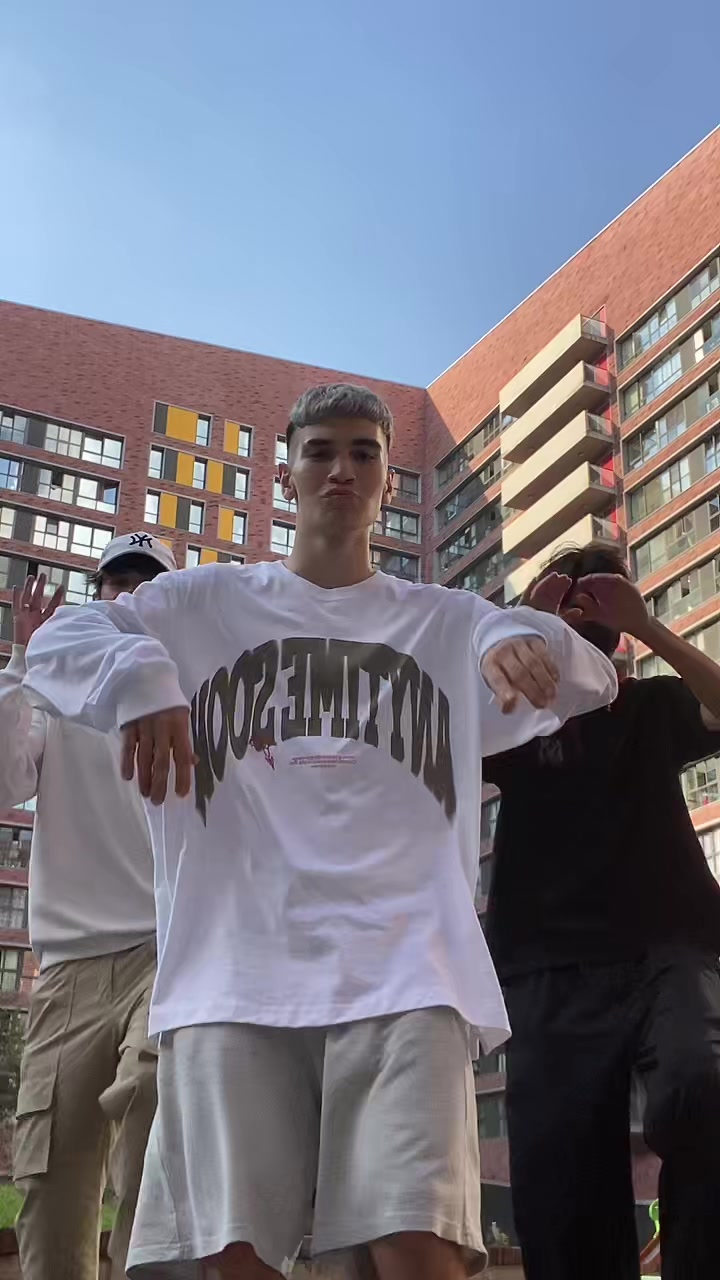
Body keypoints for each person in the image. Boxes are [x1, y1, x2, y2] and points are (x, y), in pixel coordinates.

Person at [22, 384, 618, 1280]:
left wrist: (516, 632)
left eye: (364, 452)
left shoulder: (448, 621)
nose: (342, 469)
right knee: (236, 1255)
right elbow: (59, 642)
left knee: (417, 1245)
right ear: (286, 474)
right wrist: (141, 676)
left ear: (387, 479)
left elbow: (591, 677)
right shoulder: (196, 606)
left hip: (408, 967)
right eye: (322, 451)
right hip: (233, 967)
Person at [483, 542, 720, 1280]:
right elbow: (435, 725)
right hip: (546, 963)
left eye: (603, 593)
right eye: (572, 594)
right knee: (562, 1186)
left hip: (669, 946)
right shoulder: (512, 716)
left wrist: (649, 628)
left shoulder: (649, 703)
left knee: (703, 1084)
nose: (587, 606)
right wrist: (516, 628)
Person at [0, 533, 177, 1280]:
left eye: (146, 582)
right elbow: (5, 780)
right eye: (116, 581)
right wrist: (20, 662)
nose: (128, 593)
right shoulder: (55, 685)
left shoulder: (189, 686)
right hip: (69, 967)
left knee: (154, 1105)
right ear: (97, 593)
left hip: (164, 953)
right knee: (50, 1181)